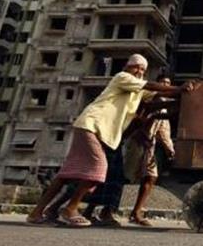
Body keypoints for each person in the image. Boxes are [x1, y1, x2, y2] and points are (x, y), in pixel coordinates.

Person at [26, 54, 194, 227]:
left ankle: (37, 213)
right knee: (98, 169)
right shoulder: (122, 78)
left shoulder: (137, 90)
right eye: (136, 67)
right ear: (126, 67)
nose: (139, 71)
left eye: (143, 69)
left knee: (67, 174)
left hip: (98, 131)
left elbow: (155, 98)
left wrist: (185, 95)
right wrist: (179, 88)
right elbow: (150, 86)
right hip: (92, 126)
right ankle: (70, 209)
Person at [125, 76, 176, 226]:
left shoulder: (164, 108)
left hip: (148, 146)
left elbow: (163, 132)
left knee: (151, 177)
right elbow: (137, 119)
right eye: (162, 83)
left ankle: (136, 212)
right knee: (124, 176)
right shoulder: (147, 99)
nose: (165, 85)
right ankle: (97, 208)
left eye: (168, 83)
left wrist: (170, 150)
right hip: (136, 142)